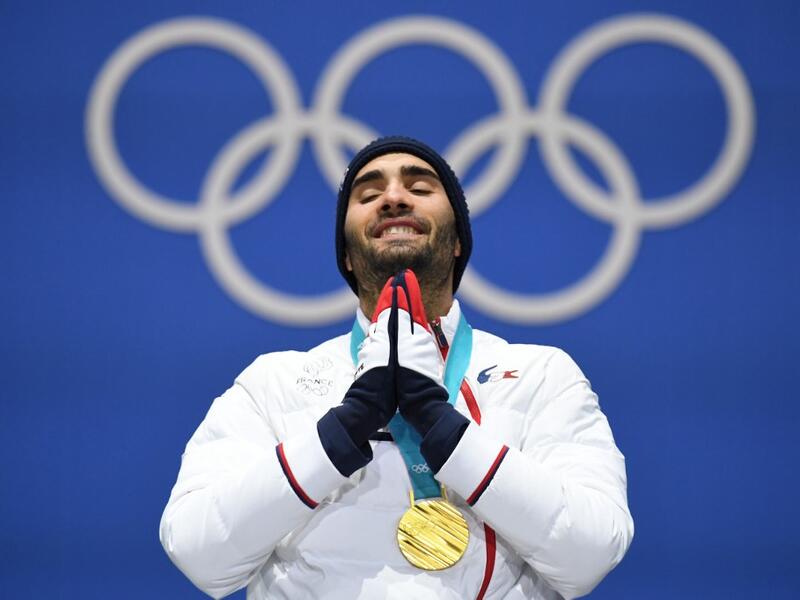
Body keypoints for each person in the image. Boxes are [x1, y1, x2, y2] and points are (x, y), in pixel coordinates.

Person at [159, 137, 633, 599]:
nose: (392, 198)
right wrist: (339, 436)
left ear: (456, 245)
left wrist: (446, 431)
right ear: (346, 255)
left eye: (420, 187)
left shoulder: (540, 375)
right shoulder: (272, 383)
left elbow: (591, 553)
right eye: (368, 194)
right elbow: (200, 555)